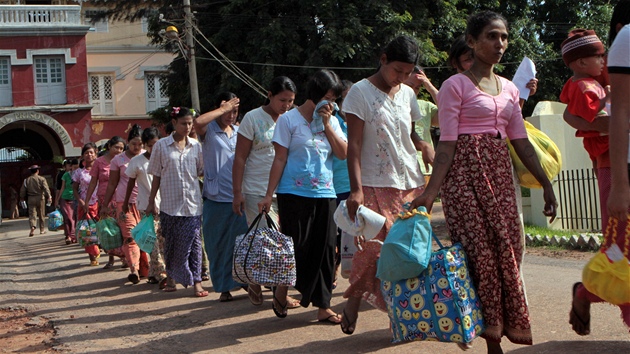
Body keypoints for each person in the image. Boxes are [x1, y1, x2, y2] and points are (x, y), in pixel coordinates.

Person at [409, 12, 557, 353]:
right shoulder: (454, 86)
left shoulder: (509, 88)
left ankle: (500, 326)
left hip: (500, 175)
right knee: (480, 255)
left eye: (504, 37)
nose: (500, 44)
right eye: (492, 36)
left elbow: (520, 141)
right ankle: (490, 339)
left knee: (509, 251)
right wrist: (431, 193)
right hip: (464, 177)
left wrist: (546, 183)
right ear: (473, 42)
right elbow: (447, 142)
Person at [338, 35, 431, 335]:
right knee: (380, 251)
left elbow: (411, 134)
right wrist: (356, 189)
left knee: (410, 253)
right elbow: (353, 145)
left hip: (411, 183)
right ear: (382, 59)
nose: (402, 78)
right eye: (397, 71)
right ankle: (355, 299)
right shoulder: (359, 94)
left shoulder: (408, 94)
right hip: (376, 184)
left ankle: (402, 316)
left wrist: (424, 146)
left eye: (408, 73)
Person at [258, 69, 347, 323]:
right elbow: (280, 158)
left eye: (334, 98)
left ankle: (323, 306)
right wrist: (268, 195)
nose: (331, 103)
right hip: (293, 194)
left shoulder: (334, 120)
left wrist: (328, 124)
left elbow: (342, 153)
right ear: (315, 95)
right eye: (328, 97)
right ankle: (283, 287)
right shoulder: (288, 120)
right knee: (296, 247)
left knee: (327, 249)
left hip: (326, 192)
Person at [570, 2, 630, 336]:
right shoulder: (626, 43)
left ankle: (586, 293)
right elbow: (616, 115)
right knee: (622, 254)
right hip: (618, 165)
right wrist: (621, 185)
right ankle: (586, 292)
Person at [231, 76, 301, 307]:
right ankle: (261, 284)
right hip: (257, 190)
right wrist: (237, 192)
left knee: (285, 242)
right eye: (282, 100)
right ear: (269, 95)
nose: (286, 105)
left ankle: (274, 288)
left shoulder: (293, 118)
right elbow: (240, 157)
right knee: (266, 242)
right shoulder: (252, 118)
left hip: (289, 189)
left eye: (290, 101)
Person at [146, 107, 208, 298]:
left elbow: (201, 172)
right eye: (184, 123)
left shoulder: (196, 146)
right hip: (170, 206)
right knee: (172, 243)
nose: (188, 127)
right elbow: (156, 175)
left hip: (193, 205)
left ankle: (197, 282)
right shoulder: (161, 146)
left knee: (195, 244)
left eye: (190, 123)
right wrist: (151, 202)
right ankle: (172, 277)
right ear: (174, 123)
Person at [193, 92, 248, 302]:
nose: (231, 115)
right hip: (215, 198)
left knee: (240, 243)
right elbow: (198, 122)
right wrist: (223, 108)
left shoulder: (240, 131)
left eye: (235, 111)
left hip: (238, 196)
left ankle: (244, 281)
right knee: (217, 245)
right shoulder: (209, 130)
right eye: (228, 111)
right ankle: (224, 287)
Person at [559, 29, 610, 223]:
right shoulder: (582, 85)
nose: (603, 60)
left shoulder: (587, 82)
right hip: (604, 143)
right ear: (581, 62)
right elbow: (589, 113)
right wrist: (607, 99)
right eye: (598, 56)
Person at [101, 125, 149, 284]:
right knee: (130, 237)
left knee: (145, 237)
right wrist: (105, 205)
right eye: (134, 144)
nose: (137, 147)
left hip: (145, 203)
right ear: (128, 142)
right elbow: (111, 184)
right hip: (124, 204)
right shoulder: (118, 160)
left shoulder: (147, 156)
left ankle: (147, 269)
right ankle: (133, 269)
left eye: (140, 144)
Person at [123, 126, 167, 287]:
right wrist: (126, 203)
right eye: (149, 145)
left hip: (166, 205)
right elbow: (130, 183)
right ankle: (162, 274)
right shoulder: (137, 162)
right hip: (146, 207)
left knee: (164, 241)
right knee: (153, 241)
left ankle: (154, 273)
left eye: (156, 144)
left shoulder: (165, 158)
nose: (153, 148)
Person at [85, 136, 127, 269]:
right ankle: (111, 258)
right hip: (104, 200)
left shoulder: (123, 161)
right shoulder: (99, 162)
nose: (118, 150)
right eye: (116, 147)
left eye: (121, 148)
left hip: (120, 198)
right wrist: (87, 201)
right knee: (108, 229)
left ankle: (125, 258)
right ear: (109, 146)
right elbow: (93, 182)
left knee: (122, 227)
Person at [331, 79, 353, 289]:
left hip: (355, 185)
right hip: (333, 186)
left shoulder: (360, 120)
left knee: (355, 232)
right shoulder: (330, 121)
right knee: (334, 234)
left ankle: (356, 274)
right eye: (346, 98)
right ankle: (333, 270)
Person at [72, 143, 101, 266]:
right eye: (86, 153)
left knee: (102, 228)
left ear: (95, 154)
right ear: (82, 156)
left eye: (91, 152)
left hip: (99, 203)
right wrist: (81, 201)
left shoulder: (101, 169)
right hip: (85, 204)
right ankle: (92, 256)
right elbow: (74, 189)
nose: (89, 155)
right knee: (87, 230)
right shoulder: (79, 172)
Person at [19, 165, 52, 237]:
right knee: (41, 214)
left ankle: (33, 227)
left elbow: (22, 190)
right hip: (40, 198)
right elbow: (46, 188)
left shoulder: (26, 180)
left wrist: (22, 197)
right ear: (37, 171)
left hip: (31, 198)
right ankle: (42, 230)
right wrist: (49, 196)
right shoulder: (42, 179)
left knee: (32, 214)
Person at [54, 159, 76, 244]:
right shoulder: (65, 175)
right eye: (69, 165)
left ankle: (74, 236)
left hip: (75, 199)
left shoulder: (80, 174)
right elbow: (61, 188)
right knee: (67, 218)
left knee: (74, 218)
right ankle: (68, 236)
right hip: (65, 198)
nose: (71, 167)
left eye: (72, 166)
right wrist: (58, 199)